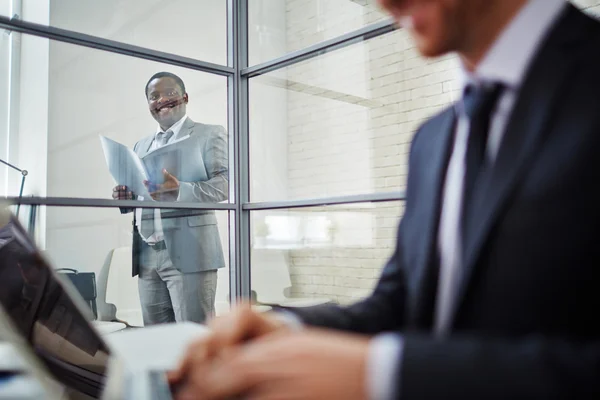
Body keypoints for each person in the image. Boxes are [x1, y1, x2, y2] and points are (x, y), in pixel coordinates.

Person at [168, 0, 600, 399]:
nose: (384, 2)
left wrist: (385, 373)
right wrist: (288, 327)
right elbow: (399, 302)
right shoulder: (433, 140)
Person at [112, 72, 228, 326]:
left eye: (170, 93)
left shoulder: (209, 134)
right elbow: (140, 195)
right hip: (146, 255)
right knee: (156, 340)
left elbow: (224, 186)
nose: (162, 99)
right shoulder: (140, 146)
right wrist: (126, 197)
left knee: (194, 339)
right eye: (154, 96)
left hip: (191, 251)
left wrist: (179, 191)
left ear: (185, 97)